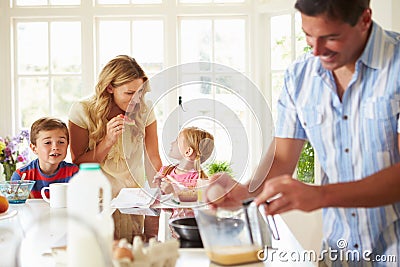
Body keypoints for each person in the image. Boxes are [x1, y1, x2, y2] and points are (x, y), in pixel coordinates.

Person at [206, 0, 400, 265]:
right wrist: (246, 190)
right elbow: (282, 159)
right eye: (309, 35)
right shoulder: (300, 75)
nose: (317, 50)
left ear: (365, 19)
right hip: (339, 254)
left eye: (331, 37)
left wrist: (320, 196)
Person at [68, 55, 162, 243]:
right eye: (129, 93)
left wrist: (157, 199)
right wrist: (108, 141)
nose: (136, 100)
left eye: (140, 93)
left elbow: (153, 159)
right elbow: (78, 163)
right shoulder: (82, 110)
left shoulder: (144, 110)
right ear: (110, 87)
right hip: (98, 204)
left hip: (134, 203)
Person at [154, 126, 214, 219]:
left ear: (188, 151)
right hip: (172, 227)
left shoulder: (199, 180)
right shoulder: (166, 171)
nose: (172, 143)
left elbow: (198, 204)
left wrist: (173, 193)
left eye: (177, 141)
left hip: (190, 228)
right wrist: (159, 189)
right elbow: (167, 209)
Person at [11, 117, 79, 198]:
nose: (55, 147)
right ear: (34, 148)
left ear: (67, 145)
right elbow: (16, 206)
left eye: (61, 142)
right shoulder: (21, 176)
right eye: (47, 142)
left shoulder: (74, 173)